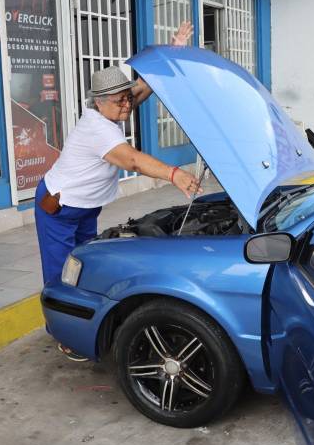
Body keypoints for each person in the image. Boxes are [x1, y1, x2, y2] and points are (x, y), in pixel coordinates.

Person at [35, 22, 200, 360]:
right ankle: (63, 334)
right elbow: (133, 161)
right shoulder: (96, 127)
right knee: (61, 274)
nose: (127, 105)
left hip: (84, 208)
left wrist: (173, 49)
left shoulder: (113, 110)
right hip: (59, 208)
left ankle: (77, 324)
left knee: (82, 266)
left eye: (127, 97)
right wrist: (174, 174)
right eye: (119, 100)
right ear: (98, 102)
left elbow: (143, 87)